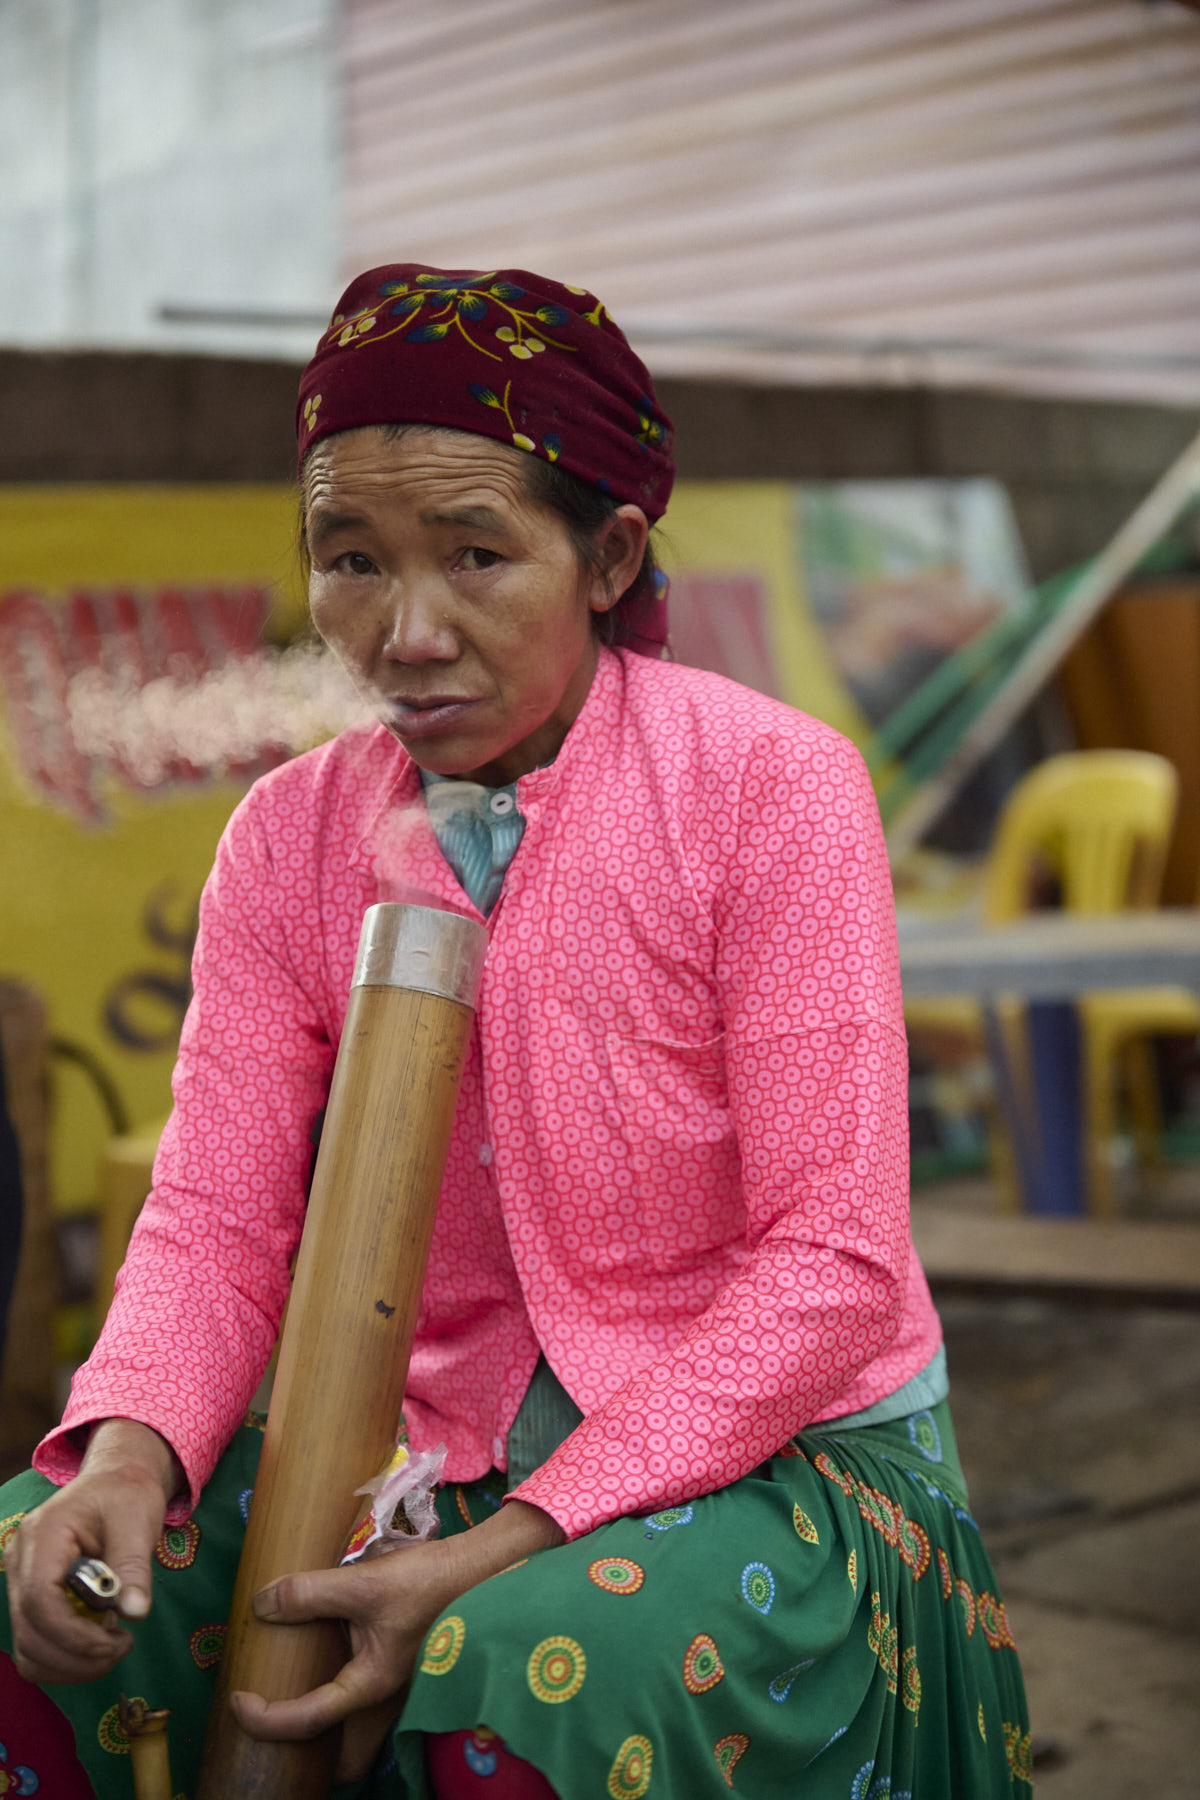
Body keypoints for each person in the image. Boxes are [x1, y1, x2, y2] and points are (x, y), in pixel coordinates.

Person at [0, 264, 1030, 1799]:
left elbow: (833, 1266)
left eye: (477, 555)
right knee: (32, 1580)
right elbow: (216, 1216)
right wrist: (133, 1449)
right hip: (414, 1447)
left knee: (518, 1672)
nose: (406, 631)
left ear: (608, 556)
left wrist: (520, 1535)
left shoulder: (771, 790)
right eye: (352, 561)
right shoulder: (287, 839)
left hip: (778, 1456)